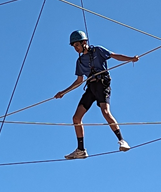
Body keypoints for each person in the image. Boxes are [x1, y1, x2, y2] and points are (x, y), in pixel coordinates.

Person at [55, 30, 139, 159]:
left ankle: (122, 140)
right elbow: (79, 81)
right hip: (91, 88)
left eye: (77, 45)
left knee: (105, 112)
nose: (75, 48)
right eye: (74, 47)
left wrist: (130, 59)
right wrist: (63, 92)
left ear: (84, 42)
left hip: (102, 84)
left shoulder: (98, 51)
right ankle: (81, 150)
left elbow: (115, 56)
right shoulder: (80, 62)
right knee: (76, 118)